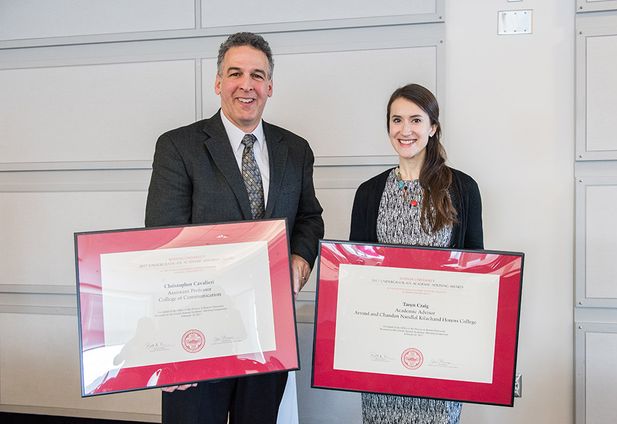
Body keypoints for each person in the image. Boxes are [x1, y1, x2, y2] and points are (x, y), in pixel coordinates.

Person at [145, 32, 324, 424]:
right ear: (218, 82)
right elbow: (162, 244)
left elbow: (309, 217)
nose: (247, 85)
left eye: (257, 75)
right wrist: (166, 343)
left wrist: (300, 259)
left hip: (268, 330)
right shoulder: (179, 146)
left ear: (270, 86)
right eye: (236, 73)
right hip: (197, 332)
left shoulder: (296, 149)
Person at [349, 83, 483, 424]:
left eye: (415, 120)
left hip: (440, 347)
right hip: (382, 347)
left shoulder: (462, 189)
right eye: (396, 120)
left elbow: (475, 274)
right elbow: (356, 275)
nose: (405, 130)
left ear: (433, 127)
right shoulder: (368, 193)